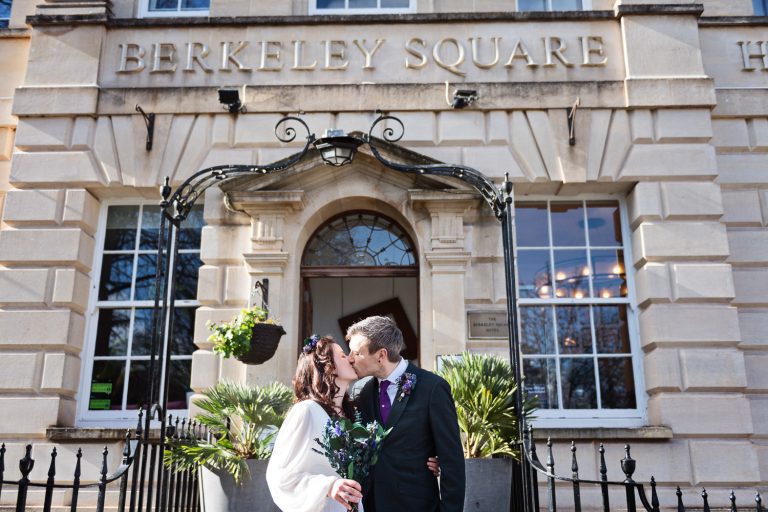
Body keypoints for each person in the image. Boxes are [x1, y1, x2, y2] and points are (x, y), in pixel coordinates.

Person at [266, 334, 440, 512]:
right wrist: (329, 486)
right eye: (343, 355)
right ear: (329, 367)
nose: (351, 359)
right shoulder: (306, 411)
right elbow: (280, 476)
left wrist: (428, 459)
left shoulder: (354, 411)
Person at [347, 316, 465, 512]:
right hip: (371, 504)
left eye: (357, 353)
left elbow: (452, 460)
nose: (350, 358)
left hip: (417, 505)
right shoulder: (361, 390)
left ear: (381, 355)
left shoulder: (433, 388)